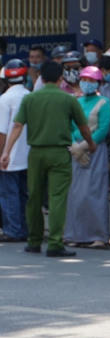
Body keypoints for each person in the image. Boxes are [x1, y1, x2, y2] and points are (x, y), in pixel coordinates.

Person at [0, 60, 94, 257]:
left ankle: (34, 241)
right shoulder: (68, 99)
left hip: (35, 154)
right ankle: (54, 243)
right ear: (61, 78)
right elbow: (83, 126)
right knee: (56, 198)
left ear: (41, 78)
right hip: (59, 153)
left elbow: (17, 126)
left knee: (33, 197)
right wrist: (90, 144)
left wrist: (6, 151)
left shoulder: (30, 99)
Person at [63, 66, 110, 249]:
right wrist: (73, 147)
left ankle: (98, 235)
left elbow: (103, 129)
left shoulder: (104, 102)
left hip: (95, 150)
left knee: (95, 193)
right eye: (84, 80)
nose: (87, 84)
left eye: (91, 81)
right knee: (75, 194)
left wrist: (84, 146)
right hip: (75, 152)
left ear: (98, 83)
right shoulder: (75, 101)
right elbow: (67, 125)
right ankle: (75, 234)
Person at [0, 59, 30, 242]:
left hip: (9, 156)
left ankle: (13, 230)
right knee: (24, 194)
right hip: (29, 154)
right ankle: (25, 228)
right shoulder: (30, 95)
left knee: (8, 194)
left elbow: (2, 132)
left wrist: (1, 153)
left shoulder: (4, 100)